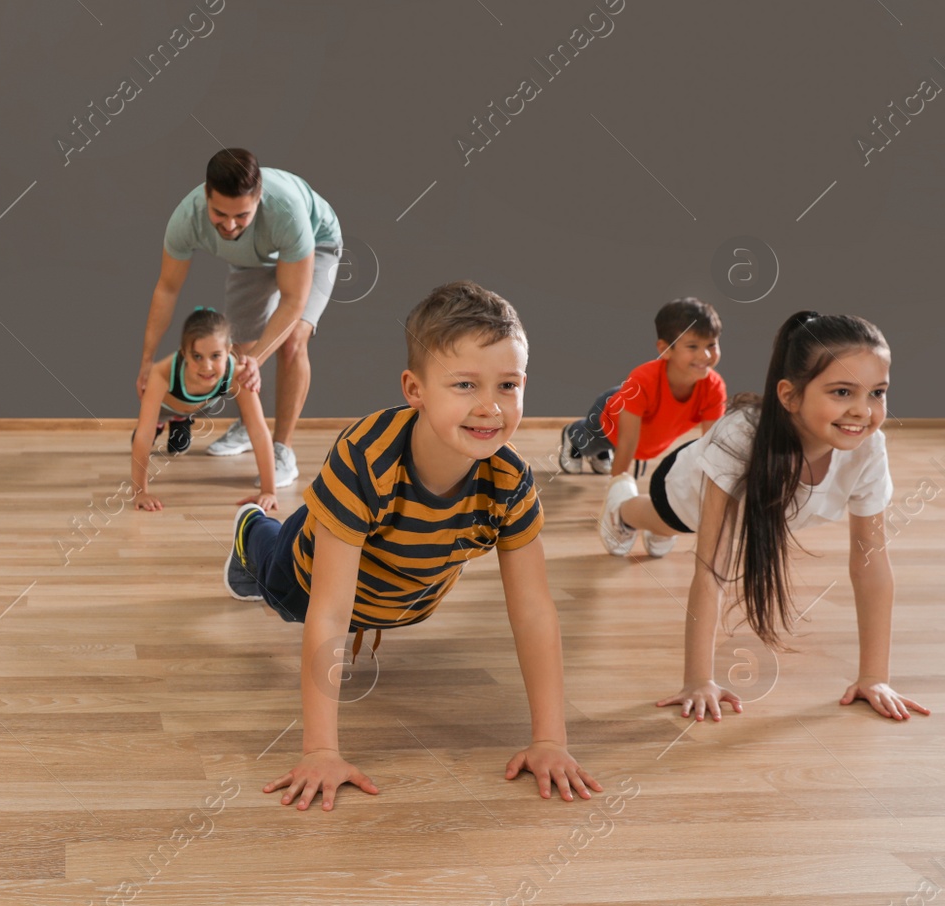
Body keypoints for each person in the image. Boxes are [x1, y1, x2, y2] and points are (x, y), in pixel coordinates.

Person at [225, 281, 600, 811]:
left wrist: (550, 740)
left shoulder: (509, 481)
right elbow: (329, 612)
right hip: (303, 581)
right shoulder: (364, 456)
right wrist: (321, 750)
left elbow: (534, 609)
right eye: (465, 385)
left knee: (349, 549)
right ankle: (249, 528)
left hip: (398, 598)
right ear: (414, 389)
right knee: (272, 557)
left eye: (509, 385)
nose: (491, 407)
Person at [603, 311, 929, 723]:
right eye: (842, 392)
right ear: (790, 395)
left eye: (877, 393)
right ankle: (621, 507)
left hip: (761, 511)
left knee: (682, 529)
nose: (863, 411)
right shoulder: (740, 438)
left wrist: (875, 677)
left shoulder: (867, 448)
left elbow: (871, 566)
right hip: (684, 488)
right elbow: (711, 569)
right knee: (664, 521)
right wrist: (697, 680)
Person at [137, 148, 342, 489]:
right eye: (220, 214)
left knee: (291, 343)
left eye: (242, 216)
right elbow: (167, 289)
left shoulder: (287, 212)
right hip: (250, 259)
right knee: (239, 349)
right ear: (206, 196)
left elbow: (294, 300)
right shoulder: (186, 218)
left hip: (316, 245)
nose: (230, 225)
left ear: (259, 199)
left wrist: (256, 361)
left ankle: (281, 449)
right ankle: (249, 425)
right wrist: (146, 360)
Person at [561, 299, 726, 559]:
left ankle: (606, 462)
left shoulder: (713, 388)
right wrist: (615, 490)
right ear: (666, 349)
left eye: (711, 345)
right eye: (692, 346)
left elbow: (711, 447)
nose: (705, 355)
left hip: (645, 436)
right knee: (593, 445)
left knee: (628, 462)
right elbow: (627, 441)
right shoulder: (643, 379)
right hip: (610, 418)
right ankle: (573, 435)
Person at [131, 307, 277, 512]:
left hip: (200, 408)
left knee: (180, 442)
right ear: (184, 353)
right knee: (140, 441)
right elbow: (144, 433)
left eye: (216, 356)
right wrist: (140, 492)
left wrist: (268, 490)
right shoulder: (162, 372)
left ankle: (182, 421)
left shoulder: (238, 372)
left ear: (228, 350)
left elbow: (258, 430)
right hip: (165, 408)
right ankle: (167, 422)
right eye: (197, 356)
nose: (207, 366)